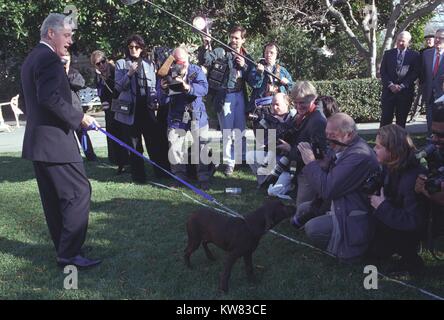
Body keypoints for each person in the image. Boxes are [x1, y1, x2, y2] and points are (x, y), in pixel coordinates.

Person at [19, 13, 101, 268]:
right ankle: (69, 254)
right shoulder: (49, 59)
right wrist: (80, 118)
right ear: (51, 33)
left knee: (55, 200)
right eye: (66, 35)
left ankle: (65, 251)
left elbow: (26, 102)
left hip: (38, 143)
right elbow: (49, 98)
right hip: (55, 144)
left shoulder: (31, 59)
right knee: (79, 193)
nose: (70, 41)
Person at [294, 113, 379, 261]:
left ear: (349, 134)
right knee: (302, 209)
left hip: (351, 212)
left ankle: (342, 248)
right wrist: (324, 164)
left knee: (312, 229)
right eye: (326, 134)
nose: (328, 140)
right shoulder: (343, 146)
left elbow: (327, 189)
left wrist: (311, 163)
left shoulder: (359, 156)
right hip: (339, 203)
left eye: (332, 135)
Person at [368, 124, 427, 275]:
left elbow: (413, 221)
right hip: (393, 220)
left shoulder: (411, 177)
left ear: (393, 151)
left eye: (379, 147)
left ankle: (411, 260)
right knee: (374, 251)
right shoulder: (391, 166)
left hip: (410, 231)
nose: (374, 149)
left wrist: (382, 207)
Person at [198, 25, 256, 176]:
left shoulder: (247, 56)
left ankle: (241, 159)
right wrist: (206, 45)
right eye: (232, 37)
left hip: (240, 95)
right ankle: (229, 162)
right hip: (225, 95)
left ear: (243, 39)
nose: (234, 40)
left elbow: (252, 78)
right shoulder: (221, 51)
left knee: (240, 129)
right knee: (227, 131)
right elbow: (206, 59)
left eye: (237, 38)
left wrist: (244, 66)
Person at [114, 34, 170, 184]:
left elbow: (153, 87)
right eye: (131, 47)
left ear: (141, 49)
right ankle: (139, 177)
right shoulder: (121, 64)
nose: (133, 50)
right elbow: (118, 87)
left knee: (154, 143)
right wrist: (129, 73)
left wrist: (155, 101)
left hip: (147, 109)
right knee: (134, 145)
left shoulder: (148, 64)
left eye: (136, 47)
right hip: (130, 111)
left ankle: (161, 172)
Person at [161, 47, 212, 190]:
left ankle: (203, 178)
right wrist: (164, 88)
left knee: (201, 146)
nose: (180, 65)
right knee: (175, 145)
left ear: (188, 60)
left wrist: (187, 87)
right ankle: (179, 178)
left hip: (196, 113)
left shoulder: (196, 71)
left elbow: (204, 88)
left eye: (182, 62)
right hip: (177, 116)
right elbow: (161, 96)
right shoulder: (168, 72)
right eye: (177, 62)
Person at [273, 81, 327, 205]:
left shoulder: (317, 120)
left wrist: (289, 148)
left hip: (308, 171)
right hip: (296, 165)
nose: (298, 107)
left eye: (302, 103)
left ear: (313, 99)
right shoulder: (304, 114)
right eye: (295, 103)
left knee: (301, 212)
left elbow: (318, 157)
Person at [91, 50, 129, 173]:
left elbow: (118, 89)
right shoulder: (98, 77)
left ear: (106, 60)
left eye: (103, 62)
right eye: (98, 64)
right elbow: (100, 92)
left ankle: (129, 162)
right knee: (113, 135)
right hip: (109, 110)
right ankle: (119, 163)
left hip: (120, 107)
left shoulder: (115, 72)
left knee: (124, 134)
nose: (101, 65)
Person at [246, 92, 293, 185]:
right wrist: (258, 123)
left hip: (289, 160)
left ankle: (272, 181)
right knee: (250, 156)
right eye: (272, 104)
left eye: (277, 105)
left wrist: (281, 124)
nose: (274, 107)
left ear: (286, 103)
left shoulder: (294, 117)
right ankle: (264, 182)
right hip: (272, 155)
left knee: (280, 186)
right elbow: (261, 139)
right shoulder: (269, 118)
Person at [61, 53, 98, 162]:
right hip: (64, 109)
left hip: (75, 108)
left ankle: (90, 156)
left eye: (67, 57)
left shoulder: (73, 72)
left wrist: (67, 74)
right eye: (63, 57)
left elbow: (80, 83)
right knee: (68, 135)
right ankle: (74, 156)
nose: (65, 59)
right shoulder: (56, 73)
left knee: (82, 133)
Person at [379, 31, 420, 128]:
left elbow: (415, 73)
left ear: (408, 42)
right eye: (398, 40)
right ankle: (383, 141)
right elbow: (383, 72)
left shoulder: (415, 55)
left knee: (401, 122)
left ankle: (400, 142)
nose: (400, 43)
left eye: (403, 41)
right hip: (388, 92)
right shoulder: (388, 54)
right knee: (385, 120)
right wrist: (391, 85)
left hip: (405, 93)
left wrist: (402, 86)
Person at [248, 42, 293, 112]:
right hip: (261, 109)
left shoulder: (283, 71)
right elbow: (253, 85)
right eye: (266, 53)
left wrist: (287, 83)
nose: (268, 55)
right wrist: (259, 73)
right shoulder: (256, 68)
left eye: (271, 53)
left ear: (277, 55)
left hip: (279, 109)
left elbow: (292, 88)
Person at [421, 29, 444, 133]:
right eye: (436, 37)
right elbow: (422, 73)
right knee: (430, 121)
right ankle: (430, 143)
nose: (437, 40)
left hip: (442, 94)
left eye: (441, 38)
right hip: (429, 94)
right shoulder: (426, 54)